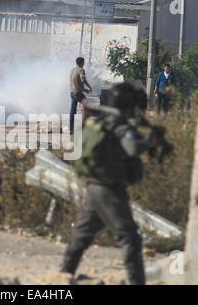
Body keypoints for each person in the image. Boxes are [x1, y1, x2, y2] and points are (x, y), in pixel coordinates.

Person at [61, 82, 160, 285]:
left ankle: (63, 276)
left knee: (82, 235)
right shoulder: (121, 125)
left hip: (94, 185)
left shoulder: (103, 120)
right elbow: (132, 148)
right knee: (129, 238)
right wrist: (150, 142)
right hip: (110, 189)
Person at [69, 57, 92, 134]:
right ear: (82, 63)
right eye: (84, 62)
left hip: (72, 92)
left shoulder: (72, 70)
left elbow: (76, 83)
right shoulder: (81, 70)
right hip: (77, 93)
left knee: (72, 110)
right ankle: (85, 127)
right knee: (87, 105)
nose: (84, 64)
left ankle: (71, 129)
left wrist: (85, 90)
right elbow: (83, 80)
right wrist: (89, 87)